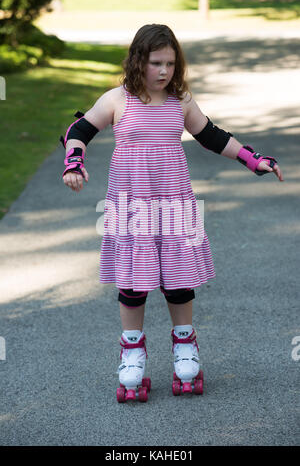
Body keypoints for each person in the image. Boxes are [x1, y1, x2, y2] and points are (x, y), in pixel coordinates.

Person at [61, 24, 284, 401]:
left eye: (170, 63)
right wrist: (74, 161)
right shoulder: (119, 99)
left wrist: (252, 159)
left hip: (173, 199)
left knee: (178, 276)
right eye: (155, 63)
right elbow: (79, 129)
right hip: (132, 203)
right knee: (133, 278)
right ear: (137, 61)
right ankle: (132, 351)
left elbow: (212, 136)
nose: (164, 71)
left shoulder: (179, 102)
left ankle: (185, 344)